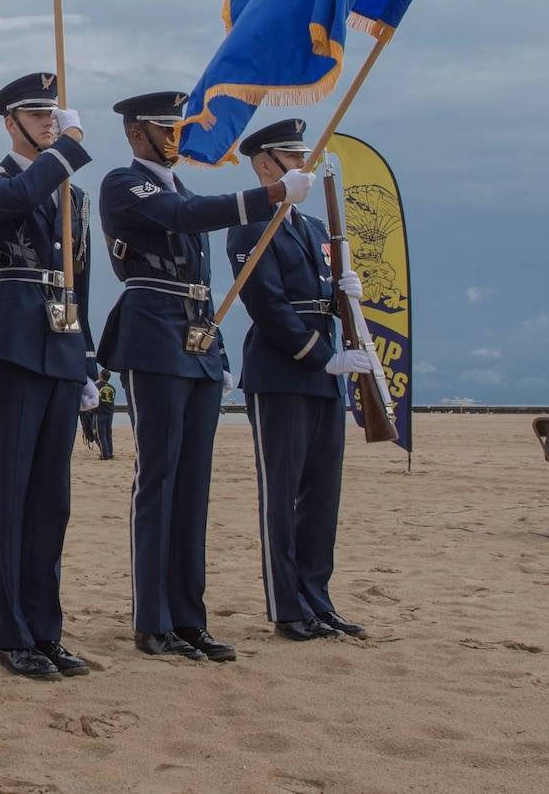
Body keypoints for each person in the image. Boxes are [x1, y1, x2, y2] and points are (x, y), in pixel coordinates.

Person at [96, 91, 313, 663]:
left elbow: (192, 213)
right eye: (166, 126)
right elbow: (180, 219)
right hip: (152, 327)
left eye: (179, 125)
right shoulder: (124, 182)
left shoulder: (184, 187)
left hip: (196, 334)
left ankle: (189, 617)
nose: (176, 135)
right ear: (136, 133)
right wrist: (267, 195)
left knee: (193, 486)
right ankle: (154, 619)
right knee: (159, 478)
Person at [0, 73, 97, 681]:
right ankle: (11, 633)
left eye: (54, 114)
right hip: (13, 334)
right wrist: (66, 151)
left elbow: (83, 282)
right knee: (12, 490)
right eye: (37, 115)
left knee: (52, 499)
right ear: (10, 122)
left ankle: (46, 631)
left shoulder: (75, 195)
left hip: (63, 342)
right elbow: (6, 208)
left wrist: (89, 362)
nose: (49, 122)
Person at [226, 119, 374, 644]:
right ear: (266, 164)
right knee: (282, 493)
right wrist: (318, 356)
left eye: (304, 155)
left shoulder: (313, 229)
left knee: (321, 497)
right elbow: (265, 302)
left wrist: (345, 296)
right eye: (293, 157)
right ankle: (288, 606)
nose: (303, 165)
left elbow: (324, 295)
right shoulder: (254, 224)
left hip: (325, 368)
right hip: (283, 368)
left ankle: (318, 598)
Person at [94, 370, 117, 461]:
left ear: (100, 375)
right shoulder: (112, 388)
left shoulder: (96, 387)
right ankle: (110, 453)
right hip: (110, 413)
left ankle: (104, 454)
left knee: (100, 435)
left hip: (99, 413)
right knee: (108, 434)